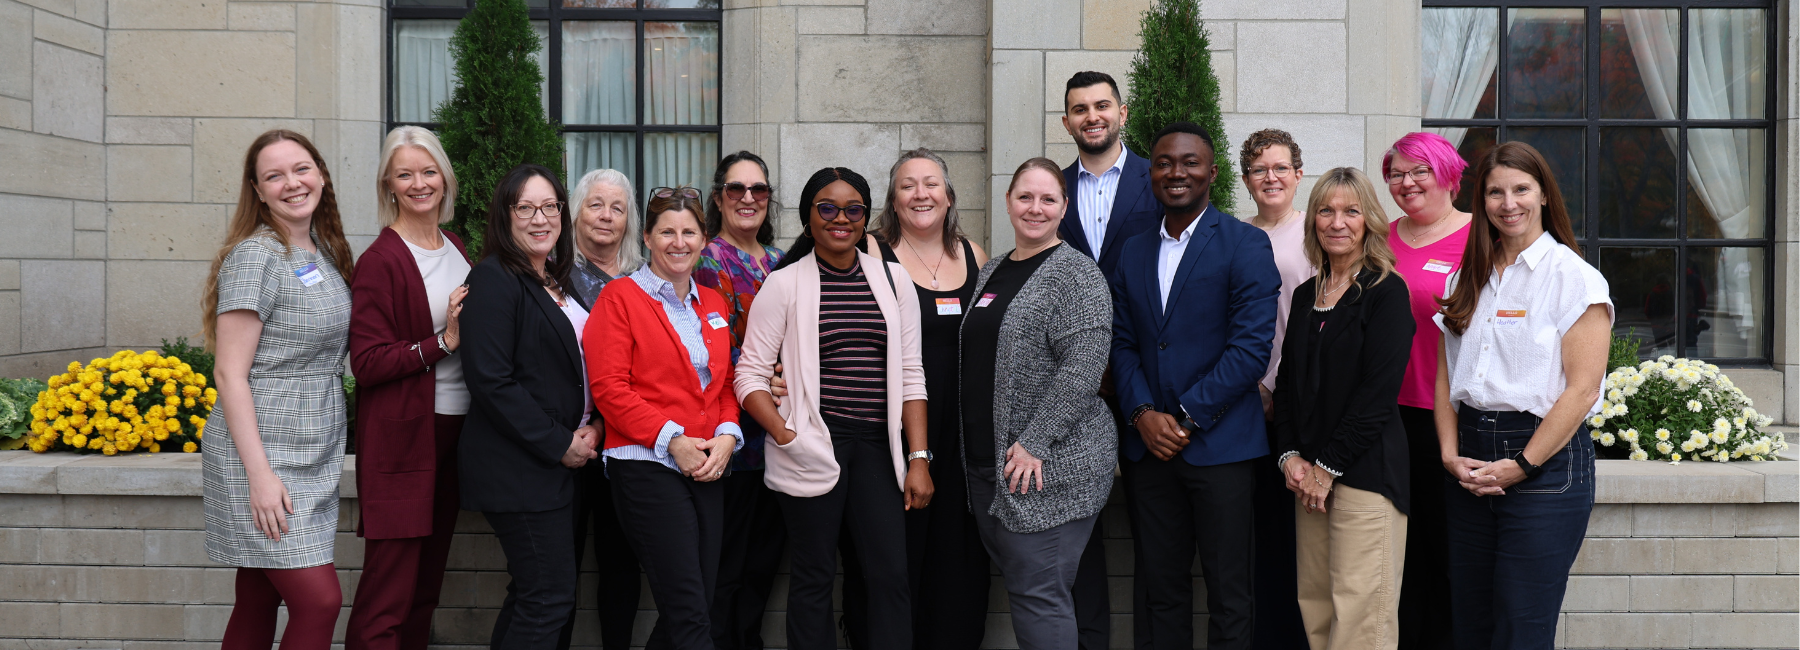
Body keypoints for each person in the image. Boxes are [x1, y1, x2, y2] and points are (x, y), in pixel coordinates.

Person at [733, 167, 931, 650]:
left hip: (876, 450)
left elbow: (912, 373)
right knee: (813, 576)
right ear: (808, 217)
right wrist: (785, 435)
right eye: (827, 208)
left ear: (866, 218)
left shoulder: (894, 280)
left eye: (853, 209)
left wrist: (919, 458)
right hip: (812, 446)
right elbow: (749, 375)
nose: (840, 218)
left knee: (889, 575)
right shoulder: (783, 284)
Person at [1109, 122, 1281, 650]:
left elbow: (1250, 350)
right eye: (1163, 162)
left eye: (1188, 162)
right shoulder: (1132, 250)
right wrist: (1141, 413)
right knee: (1160, 589)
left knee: (1230, 591)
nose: (1175, 172)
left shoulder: (1245, 244)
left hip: (1222, 447)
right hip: (1149, 452)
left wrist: (1182, 419)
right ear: (1151, 173)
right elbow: (1120, 343)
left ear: (1211, 171)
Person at [1433, 142, 1611, 650]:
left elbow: (1581, 391)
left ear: (1544, 196)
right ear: (1481, 201)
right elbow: (1448, 375)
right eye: (1494, 192)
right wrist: (1448, 454)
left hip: (1544, 462)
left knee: (1521, 627)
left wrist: (1524, 464)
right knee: (1469, 620)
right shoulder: (1466, 276)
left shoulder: (1573, 278)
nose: (1508, 203)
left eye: (1521, 189)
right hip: (1468, 456)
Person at [201, 129, 356, 650]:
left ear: (321, 173)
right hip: (262, 451)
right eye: (275, 175)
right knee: (319, 600)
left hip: (311, 448)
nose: (292, 183)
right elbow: (229, 373)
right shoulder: (256, 256)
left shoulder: (321, 252)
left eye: (301, 168)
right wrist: (260, 477)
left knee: (259, 595)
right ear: (257, 190)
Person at [961, 157, 1115, 650]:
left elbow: (1083, 371)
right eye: (1025, 197)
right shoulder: (992, 270)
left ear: (1064, 207)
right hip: (992, 466)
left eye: (1048, 199)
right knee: (1028, 588)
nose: (1035, 208)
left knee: (1039, 594)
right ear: (1008, 202)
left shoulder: (1077, 275)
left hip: (1047, 466)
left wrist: (1033, 442)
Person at [587, 186, 743, 650]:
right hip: (647, 463)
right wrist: (672, 439)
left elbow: (724, 385)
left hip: (707, 465)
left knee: (696, 605)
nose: (679, 242)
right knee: (690, 613)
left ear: (704, 239)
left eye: (689, 232)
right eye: (667, 232)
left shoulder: (712, 303)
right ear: (649, 239)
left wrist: (728, 437)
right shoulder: (619, 298)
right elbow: (609, 389)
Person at [1271, 167, 1415, 650]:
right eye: (1326, 211)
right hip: (1308, 476)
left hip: (1364, 476)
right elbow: (1288, 384)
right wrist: (1289, 455)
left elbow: (1376, 396)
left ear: (1370, 222)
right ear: (1312, 221)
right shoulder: (1305, 294)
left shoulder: (1387, 293)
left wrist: (1327, 468)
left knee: (1360, 619)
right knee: (1316, 608)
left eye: (1351, 211)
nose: (1338, 222)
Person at [458, 164, 600, 650]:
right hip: (520, 469)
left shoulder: (557, 279)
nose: (540, 218)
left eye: (549, 206)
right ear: (506, 215)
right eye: (526, 208)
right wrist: (561, 443)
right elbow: (491, 381)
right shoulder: (495, 279)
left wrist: (594, 426)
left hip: (561, 465)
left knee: (534, 595)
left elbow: (581, 367)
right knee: (548, 600)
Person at [855, 148, 991, 650]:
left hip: (961, 435)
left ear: (950, 195)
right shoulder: (870, 250)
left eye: (931, 183)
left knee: (957, 561)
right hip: (891, 434)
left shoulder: (974, 255)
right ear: (893, 198)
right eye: (908, 185)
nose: (921, 194)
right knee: (895, 560)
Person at [345, 126, 472, 650]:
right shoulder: (381, 259)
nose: (420, 183)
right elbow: (367, 362)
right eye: (405, 174)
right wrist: (442, 342)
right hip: (406, 438)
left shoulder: (454, 244)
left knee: (425, 585)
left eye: (428, 171)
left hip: (456, 432)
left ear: (444, 178)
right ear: (388, 186)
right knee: (389, 590)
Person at [1057, 69, 1163, 650]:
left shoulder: (1160, 178)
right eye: (1079, 109)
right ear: (1067, 120)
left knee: (1155, 531)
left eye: (1102, 106)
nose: (1091, 116)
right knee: (1079, 530)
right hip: (1073, 385)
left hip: (1145, 378)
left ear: (1122, 113)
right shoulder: (1051, 187)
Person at [1382, 132, 1472, 650]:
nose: (1407, 182)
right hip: (1382, 416)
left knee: (1444, 554)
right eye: (1396, 173)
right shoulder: (1379, 236)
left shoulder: (1481, 238)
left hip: (1445, 419)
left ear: (1448, 173)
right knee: (1396, 555)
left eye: (1420, 171)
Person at [695, 151, 788, 650]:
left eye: (759, 190)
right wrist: (771, 376)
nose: (748, 198)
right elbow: (718, 351)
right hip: (732, 440)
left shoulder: (779, 260)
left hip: (780, 440)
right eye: (736, 189)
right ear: (718, 198)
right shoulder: (709, 260)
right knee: (727, 566)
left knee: (762, 564)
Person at [557, 167, 644, 650]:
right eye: (596, 205)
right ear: (576, 212)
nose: (606, 216)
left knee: (621, 562)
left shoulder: (641, 277)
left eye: (617, 207)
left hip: (626, 441)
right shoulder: (552, 273)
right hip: (567, 442)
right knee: (558, 569)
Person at [1237, 128, 1313, 650]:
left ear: (1298, 175)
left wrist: (1276, 388)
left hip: (1297, 403)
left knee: (1297, 542)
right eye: (1260, 169)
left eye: (1281, 167)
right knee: (1257, 538)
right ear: (1245, 179)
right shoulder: (1234, 234)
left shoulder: (1315, 234)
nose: (1271, 177)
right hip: (1242, 404)